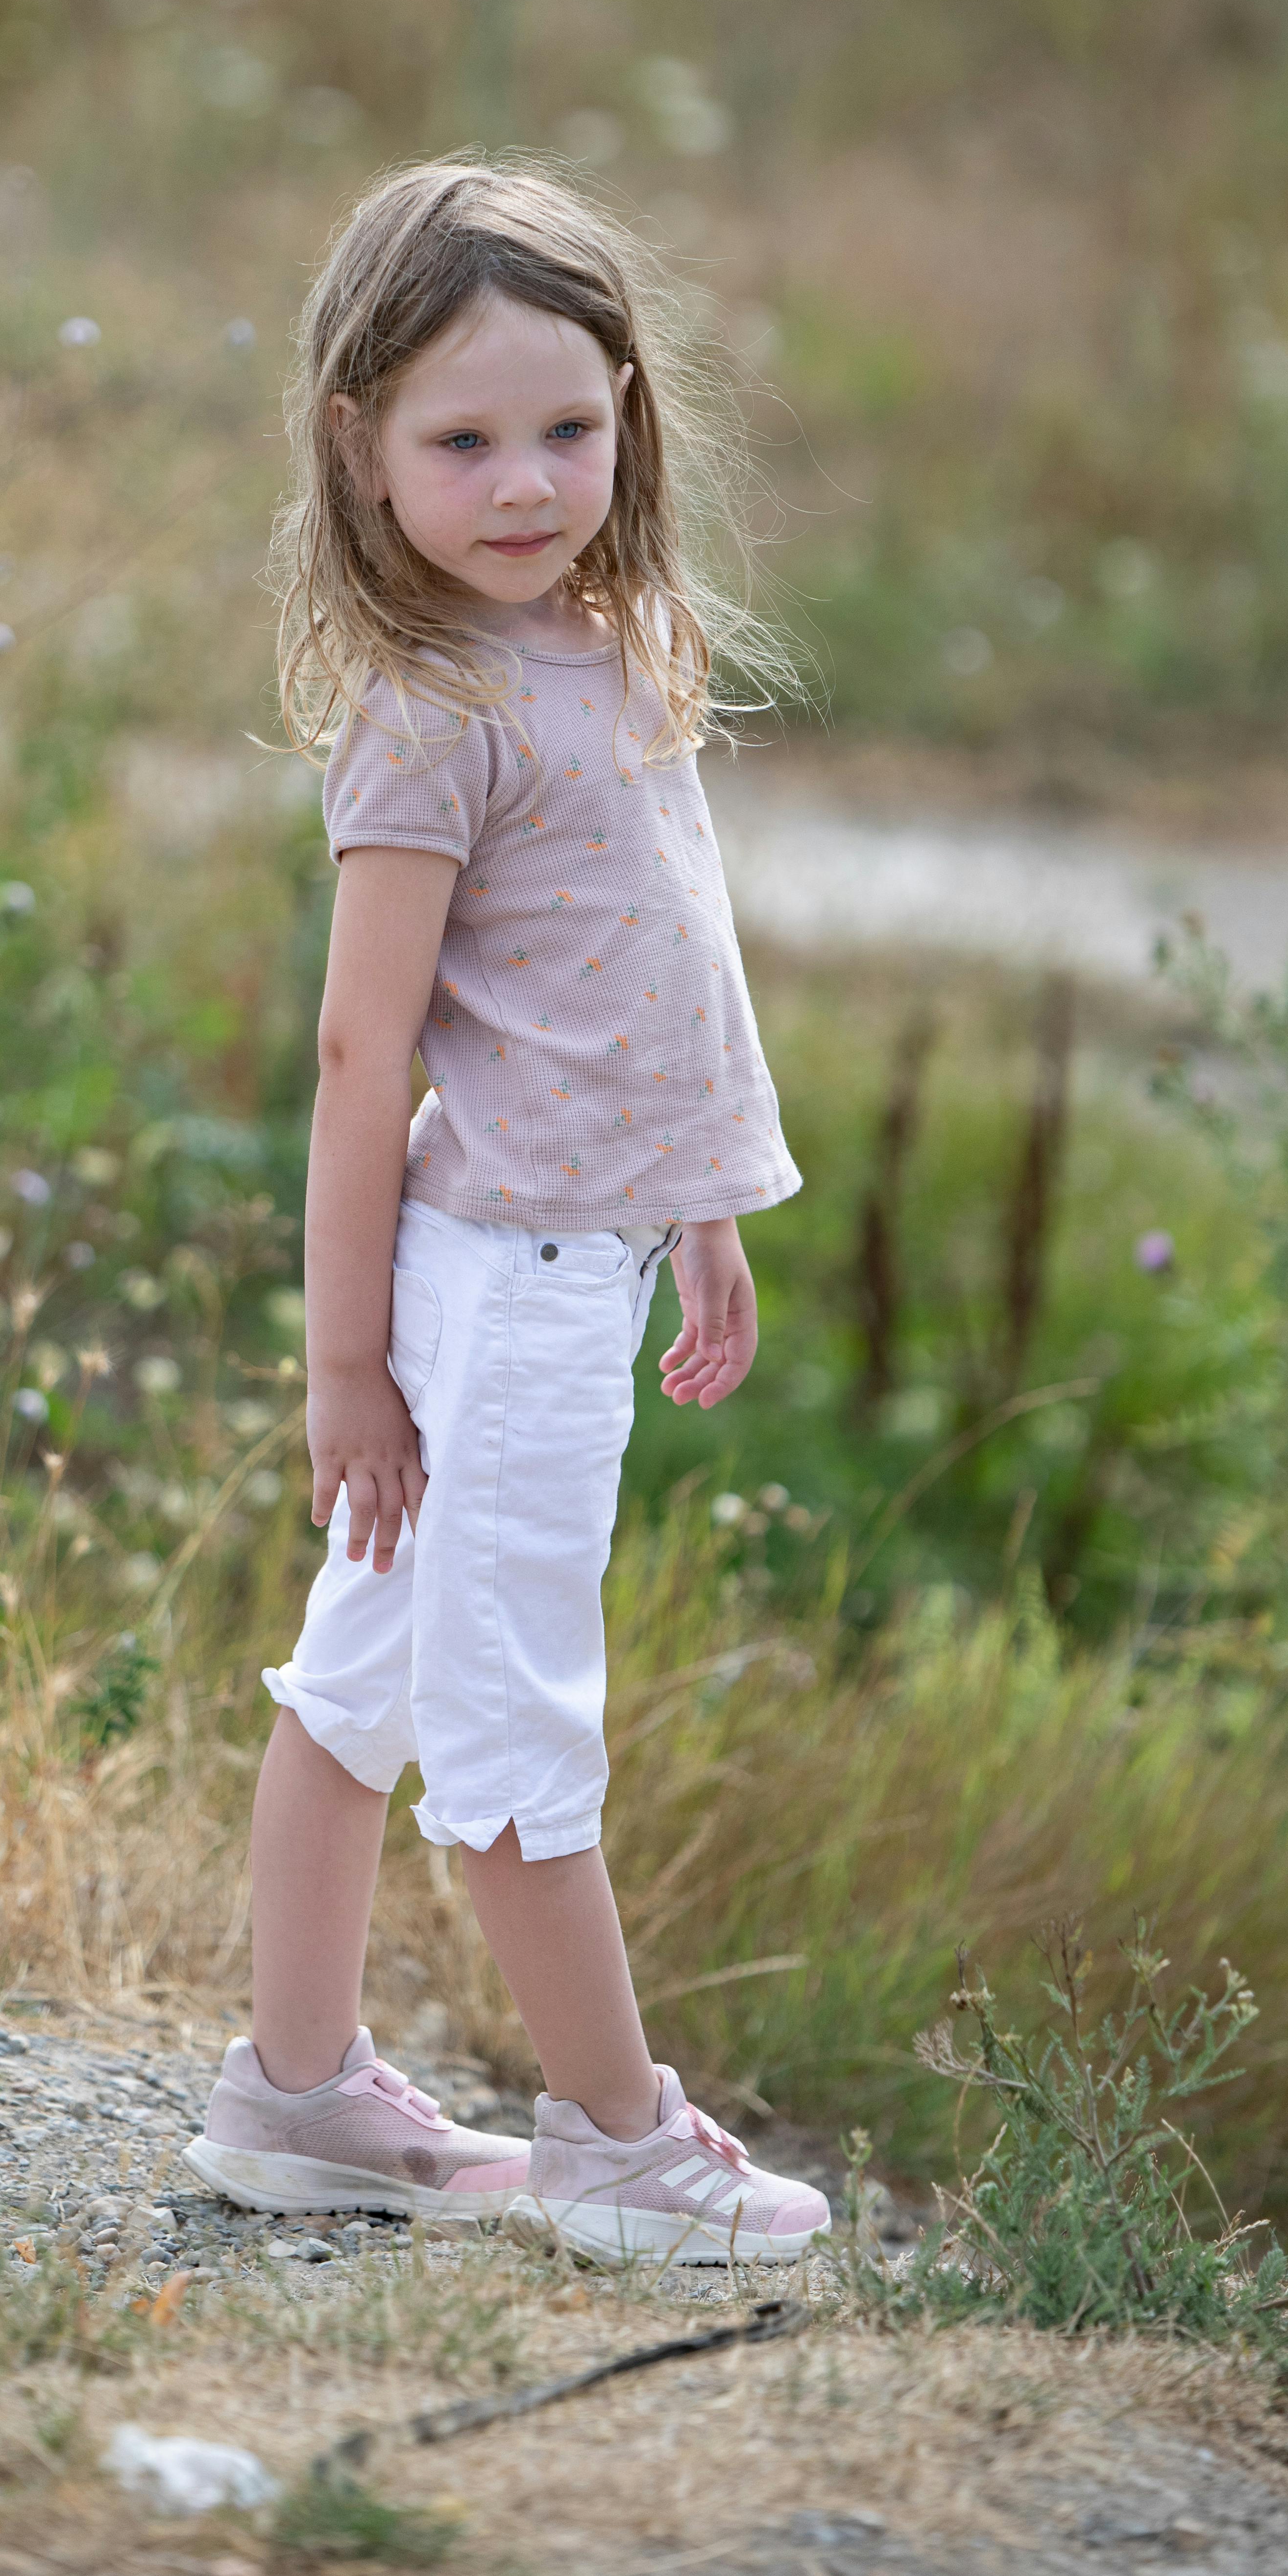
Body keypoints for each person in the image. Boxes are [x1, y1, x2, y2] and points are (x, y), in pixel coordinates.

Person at [185, 159, 830, 2268]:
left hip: (592, 1245)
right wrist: (347, 1365)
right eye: (459, 441)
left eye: (565, 426)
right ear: (358, 449)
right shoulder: (426, 714)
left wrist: (707, 1206)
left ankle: (293, 2097)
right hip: (493, 1293)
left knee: (361, 1681)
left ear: (631, 408)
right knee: (507, 1727)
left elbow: (659, 963)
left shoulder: (623, 639)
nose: (522, 480)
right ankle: (621, 2148)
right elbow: (361, 1059)